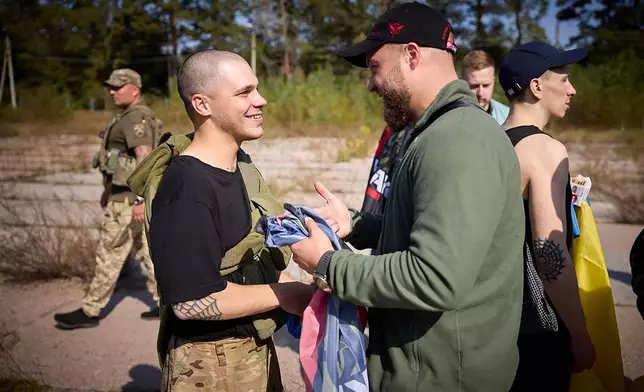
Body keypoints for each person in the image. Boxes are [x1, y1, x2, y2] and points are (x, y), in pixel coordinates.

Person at [289, 3, 526, 391]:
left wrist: (328, 265)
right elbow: (434, 231)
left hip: (441, 378)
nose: (370, 83)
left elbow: (434, 277)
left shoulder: (457, 139)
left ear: (411, 55)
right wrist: (358, 226)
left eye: (375, 67)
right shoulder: (443, 131)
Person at [145, 50, 314, 392]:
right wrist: (286, 295)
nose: (261, 100)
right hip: (211, 363)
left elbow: (244, 256)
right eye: (244, 93)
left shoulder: (237, 167)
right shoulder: (187, 187)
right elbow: (192, 303)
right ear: (202, 104)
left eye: (257, 89)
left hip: (251, 348)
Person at [498, 41, 597, 391]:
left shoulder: (488, 143)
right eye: (565, 79)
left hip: (490, 323)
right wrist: (581, 334)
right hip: (535, 328)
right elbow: (549, 256)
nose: (572, 89)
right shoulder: (545, 150)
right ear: (537, 87)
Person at [54, 68, 161, 329]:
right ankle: (168, 305)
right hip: (124, 198)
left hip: (128, 203)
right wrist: (108, 192)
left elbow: (144, 158)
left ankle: (90, 311)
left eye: (118, 87)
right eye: (110, 87)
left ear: (134, 89)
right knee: (150, 256)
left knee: (109, 254)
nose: (112, 91)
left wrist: (139, 199)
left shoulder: (135, 118)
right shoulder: (128, 117)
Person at [461, 49, 510, 124]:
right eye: (474, 86)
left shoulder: (508, 117)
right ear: (462, 82)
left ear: (494, 81)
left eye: (486, 85)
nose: (480, 93)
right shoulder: (449, 117)